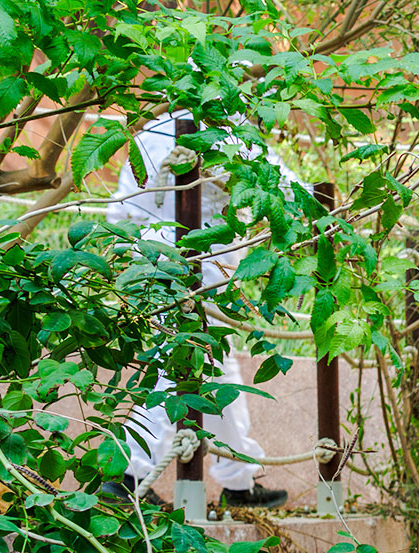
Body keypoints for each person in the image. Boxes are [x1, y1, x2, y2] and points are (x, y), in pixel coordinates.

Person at [103, 110, 290, 509]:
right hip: (201, 273)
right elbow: (284, 191)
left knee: (215, 369)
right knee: (179, 372)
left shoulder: (149, 132)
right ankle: (128, 474)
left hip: (150, 266)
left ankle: (239, 483)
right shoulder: (230, 130)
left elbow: (118, 213)